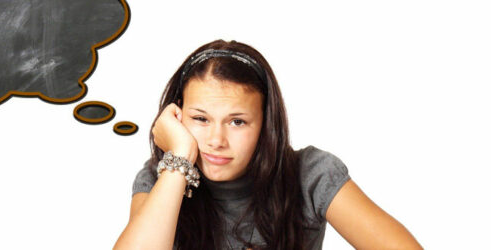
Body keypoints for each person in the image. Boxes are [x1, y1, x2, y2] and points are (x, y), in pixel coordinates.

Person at [113, 40, 422, 250]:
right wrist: (179, 159)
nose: (216, 141)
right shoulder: (161, 179)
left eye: (237, 122)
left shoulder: (310, 174)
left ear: (265, 124)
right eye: (201, 119)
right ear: (177, 116)